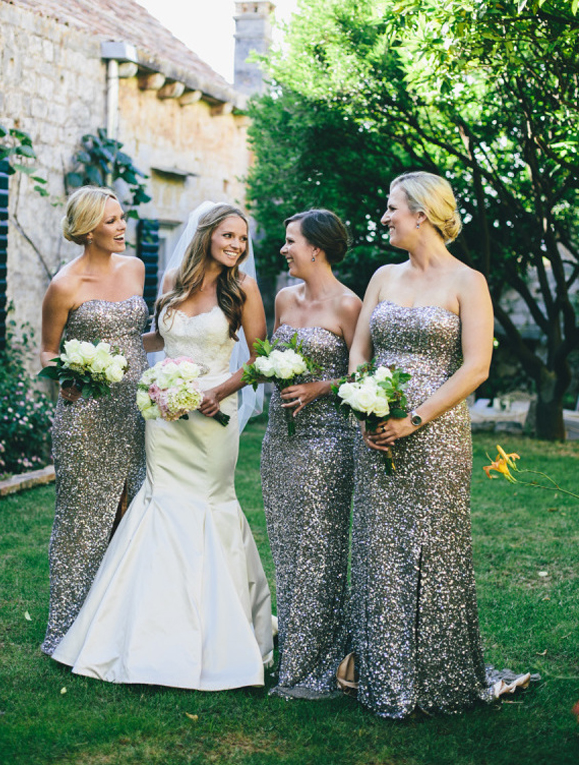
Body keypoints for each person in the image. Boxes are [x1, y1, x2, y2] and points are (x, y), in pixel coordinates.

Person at [51, 203, 274, 690]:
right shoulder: (174, 276)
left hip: (214, 415)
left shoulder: (244, 289)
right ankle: (150, 635)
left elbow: (261, 360)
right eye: (229, 236)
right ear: (207, 234)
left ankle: (223, 635)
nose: (237, 246)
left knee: (210, 507)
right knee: (159, 506)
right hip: (165, 415)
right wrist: (101, 352)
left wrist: (219, 392)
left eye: (243, 239)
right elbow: (159, 337)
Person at [347, 171, 531, 717]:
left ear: (421, 214)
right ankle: (383, 674)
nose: (385, 217)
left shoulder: (467, 281)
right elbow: (359, 350)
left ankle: (439, 676)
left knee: (433, 544)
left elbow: (477, 366)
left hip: (436, 432)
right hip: (375, 429)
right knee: (379, 548)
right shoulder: (382, 276)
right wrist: (365, 403)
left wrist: (415, 418)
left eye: (392, 208)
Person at [40, 186, 149, 656]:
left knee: (133, 512)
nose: (122, 226)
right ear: (87, 229)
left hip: (136, 412)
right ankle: (67, 627)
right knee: (81, 522)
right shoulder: (65, 285)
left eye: (123, 217)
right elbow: (46, 351)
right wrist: (68, 373)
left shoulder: (137, 268)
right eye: (112, 221)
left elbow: (140, 339)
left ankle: (118, 627)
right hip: (84, 416)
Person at [261, 209, 362, 699]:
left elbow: (365, 378)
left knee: (319, 552)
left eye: (290, 241)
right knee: (286, 547)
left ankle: (319, 660)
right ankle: (293, 654)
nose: (284, 249)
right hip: (279, 442)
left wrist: (323, 386)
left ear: (316, 248)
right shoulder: (283, 298)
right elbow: (265, 358)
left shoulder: (349, 306)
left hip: (327, 444)